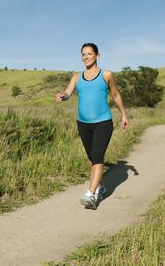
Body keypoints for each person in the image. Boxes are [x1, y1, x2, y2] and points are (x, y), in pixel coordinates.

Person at [55, 43, 129, 209]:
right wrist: (63, 96)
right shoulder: (76, 76)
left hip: (103, 123)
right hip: (83, 123)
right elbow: (68, 92)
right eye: (83, 54)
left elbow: (115, 95)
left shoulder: (106, 75)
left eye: (89, 53)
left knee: (97, 157)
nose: (86, 56)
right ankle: (100, 187)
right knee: (91, 159)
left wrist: (123, 114)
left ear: (97, 55)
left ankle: (90, 194)